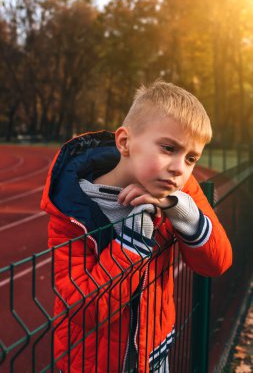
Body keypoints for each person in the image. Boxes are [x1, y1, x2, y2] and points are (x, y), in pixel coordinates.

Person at [41, 81, 232, 373]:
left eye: (191, 158)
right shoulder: (71, 208)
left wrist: (178, 209)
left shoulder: (178, 189)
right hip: (91, 363)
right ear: (125, 143)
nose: (180, 167)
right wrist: (133, 239)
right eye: (168, 148)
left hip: (152, 356)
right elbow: (84, 311)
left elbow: (218, 262)